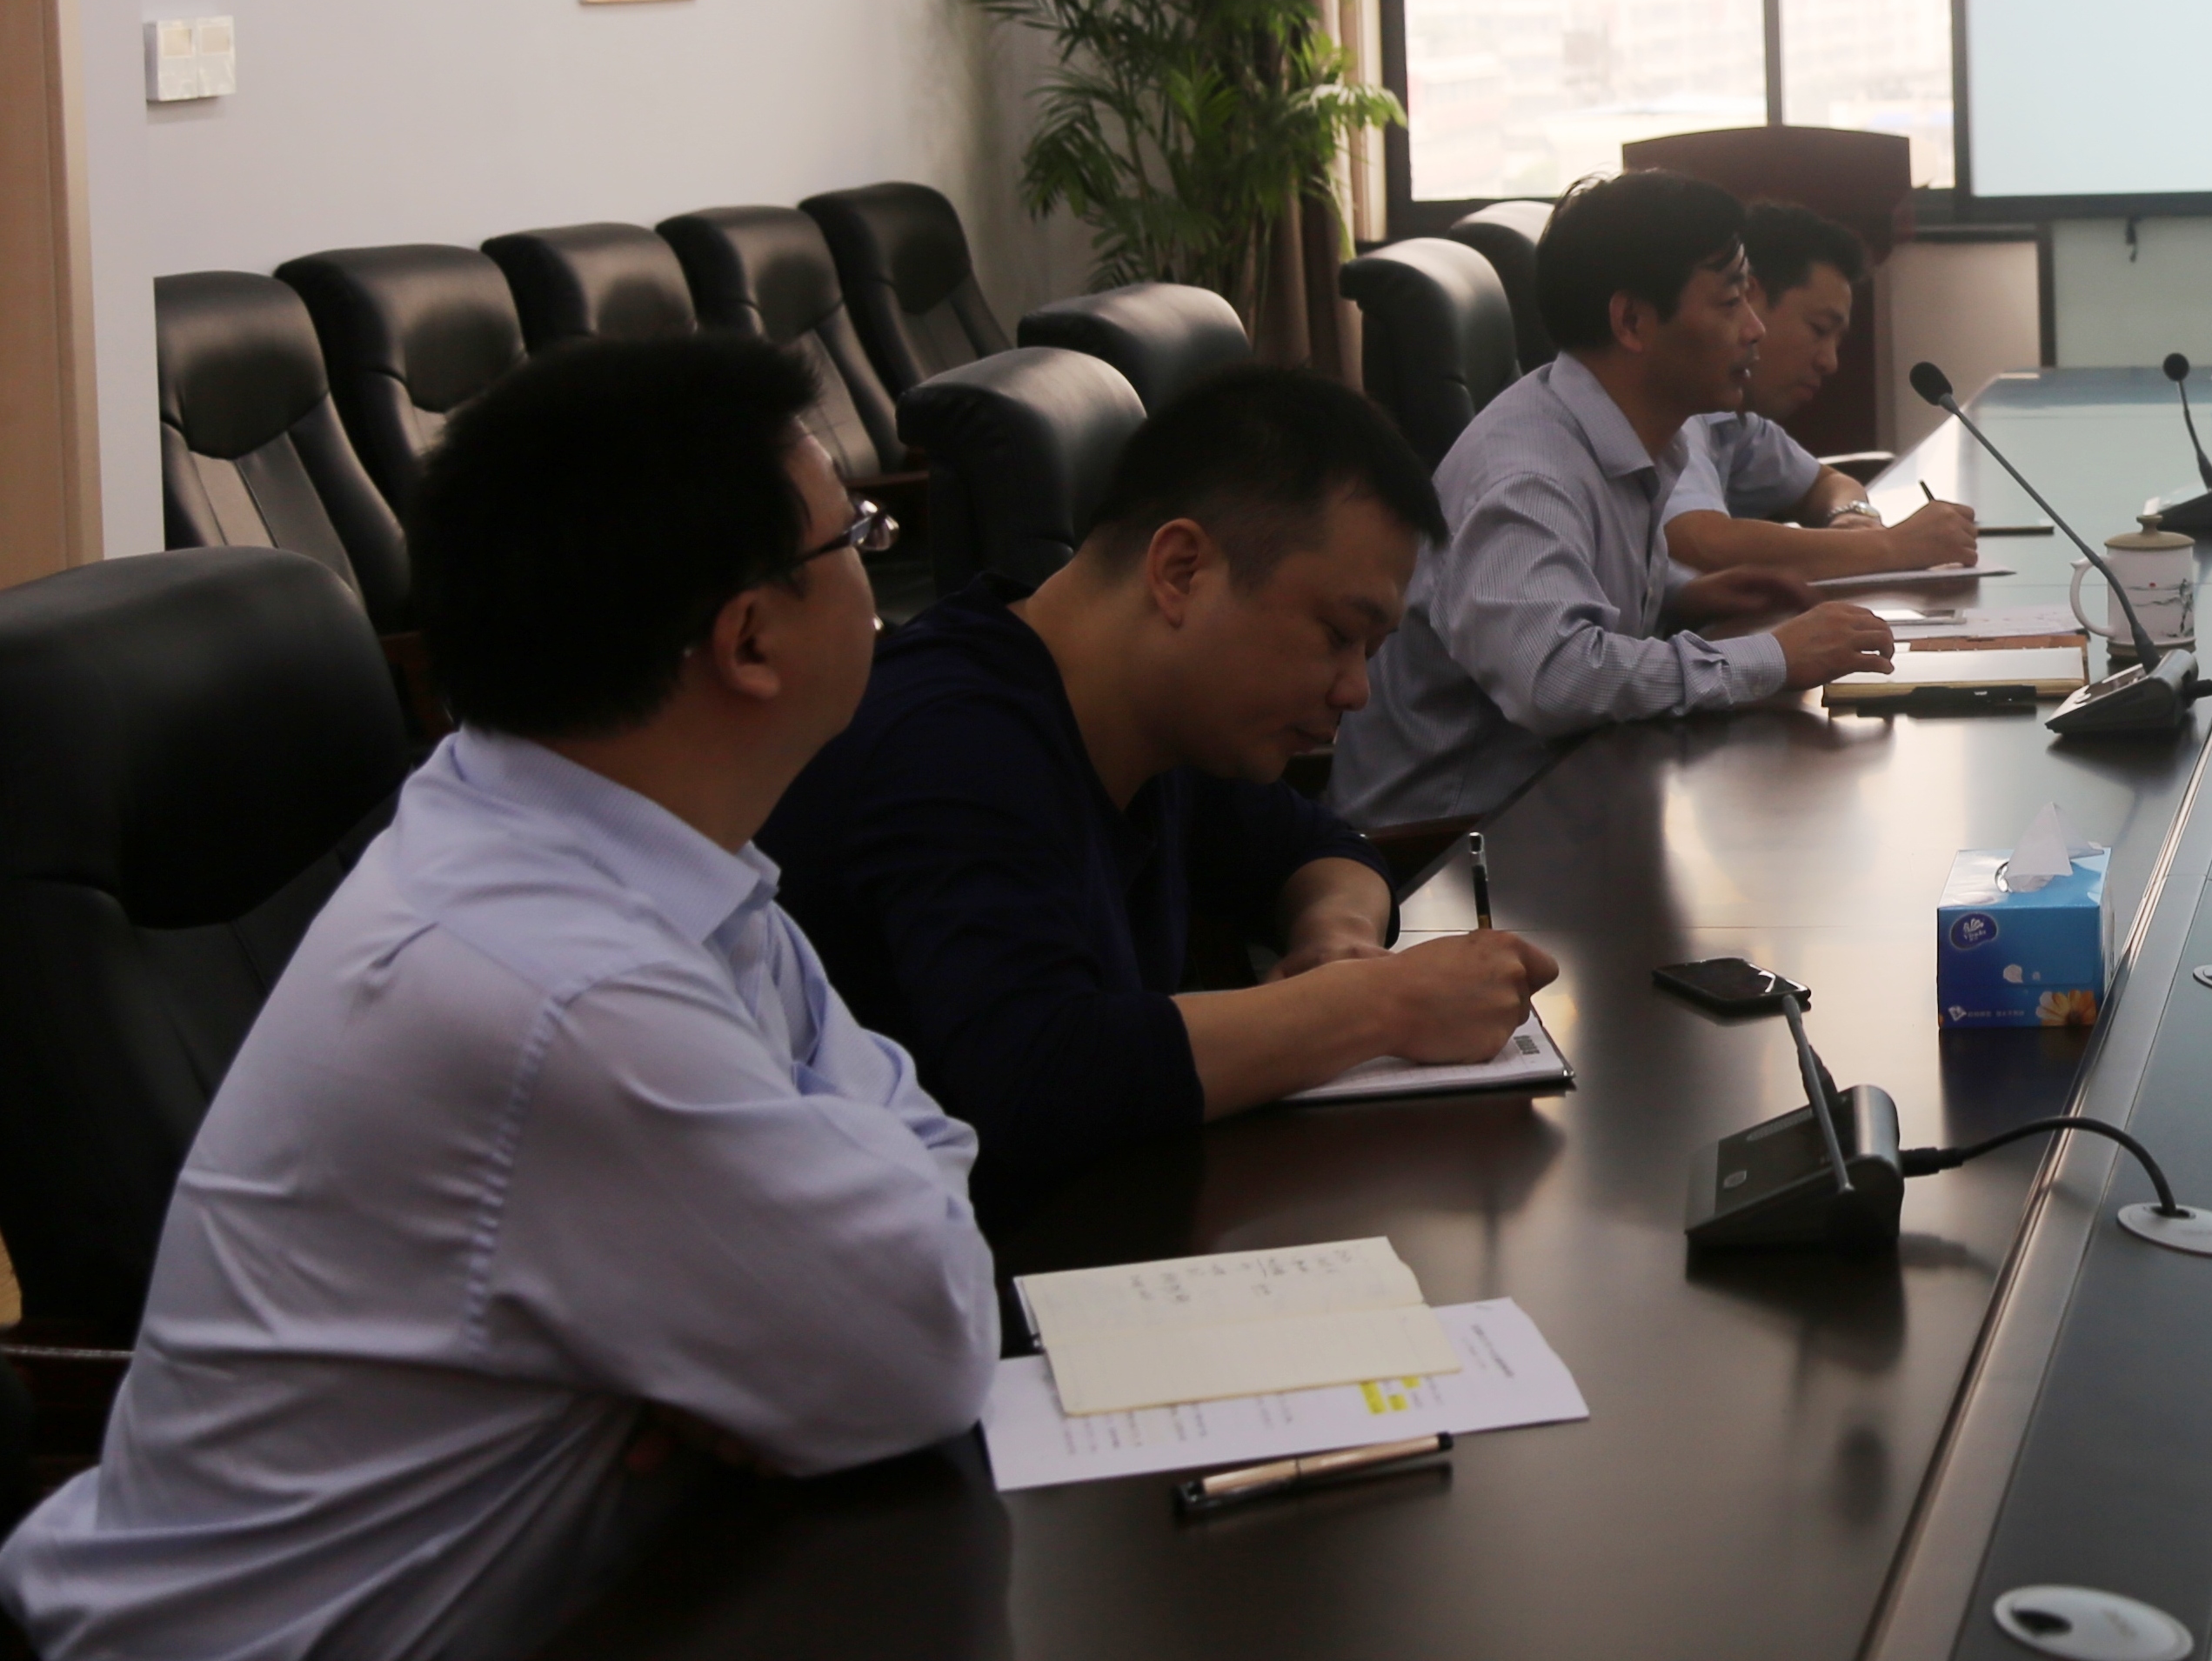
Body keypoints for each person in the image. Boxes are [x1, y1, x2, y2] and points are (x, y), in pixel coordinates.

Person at [0, 339, 995, 1660]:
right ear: (751, 638)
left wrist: (788, 1280)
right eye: (855, 535)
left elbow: (918, 1137)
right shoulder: (563, 990)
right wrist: (805, 1270)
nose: (877, 561)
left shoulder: (608, 836)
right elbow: (926, 1339)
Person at [763, 369, 1560, 1228]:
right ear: (1181, 570)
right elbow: (1036, 1077)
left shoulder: (1161, 718)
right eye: (1337, 634)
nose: (1354, 690)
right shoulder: (951, 743)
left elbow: (1323, 850)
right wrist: (1381, 1003)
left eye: (1368, 650)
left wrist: (1337, 940)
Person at [1334, 169, 1899, 825]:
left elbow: (1558, 601)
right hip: (1459, 844)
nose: (1755, 329)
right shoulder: (1526, 477)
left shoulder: (1632, 433)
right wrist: (1771, 656)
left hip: (1570, 802)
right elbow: (1555, 678)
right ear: (1631, 321)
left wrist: (1683, 594)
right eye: (1729, 303)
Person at [1661, 199, 1981, 583]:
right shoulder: (1680, 405)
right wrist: (1893, 546)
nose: (1829, 362)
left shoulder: (1735, 420)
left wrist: (1852, 518)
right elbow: (1701, 543)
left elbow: (1828, 483)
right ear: (1749, 298)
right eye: (1819, 329)